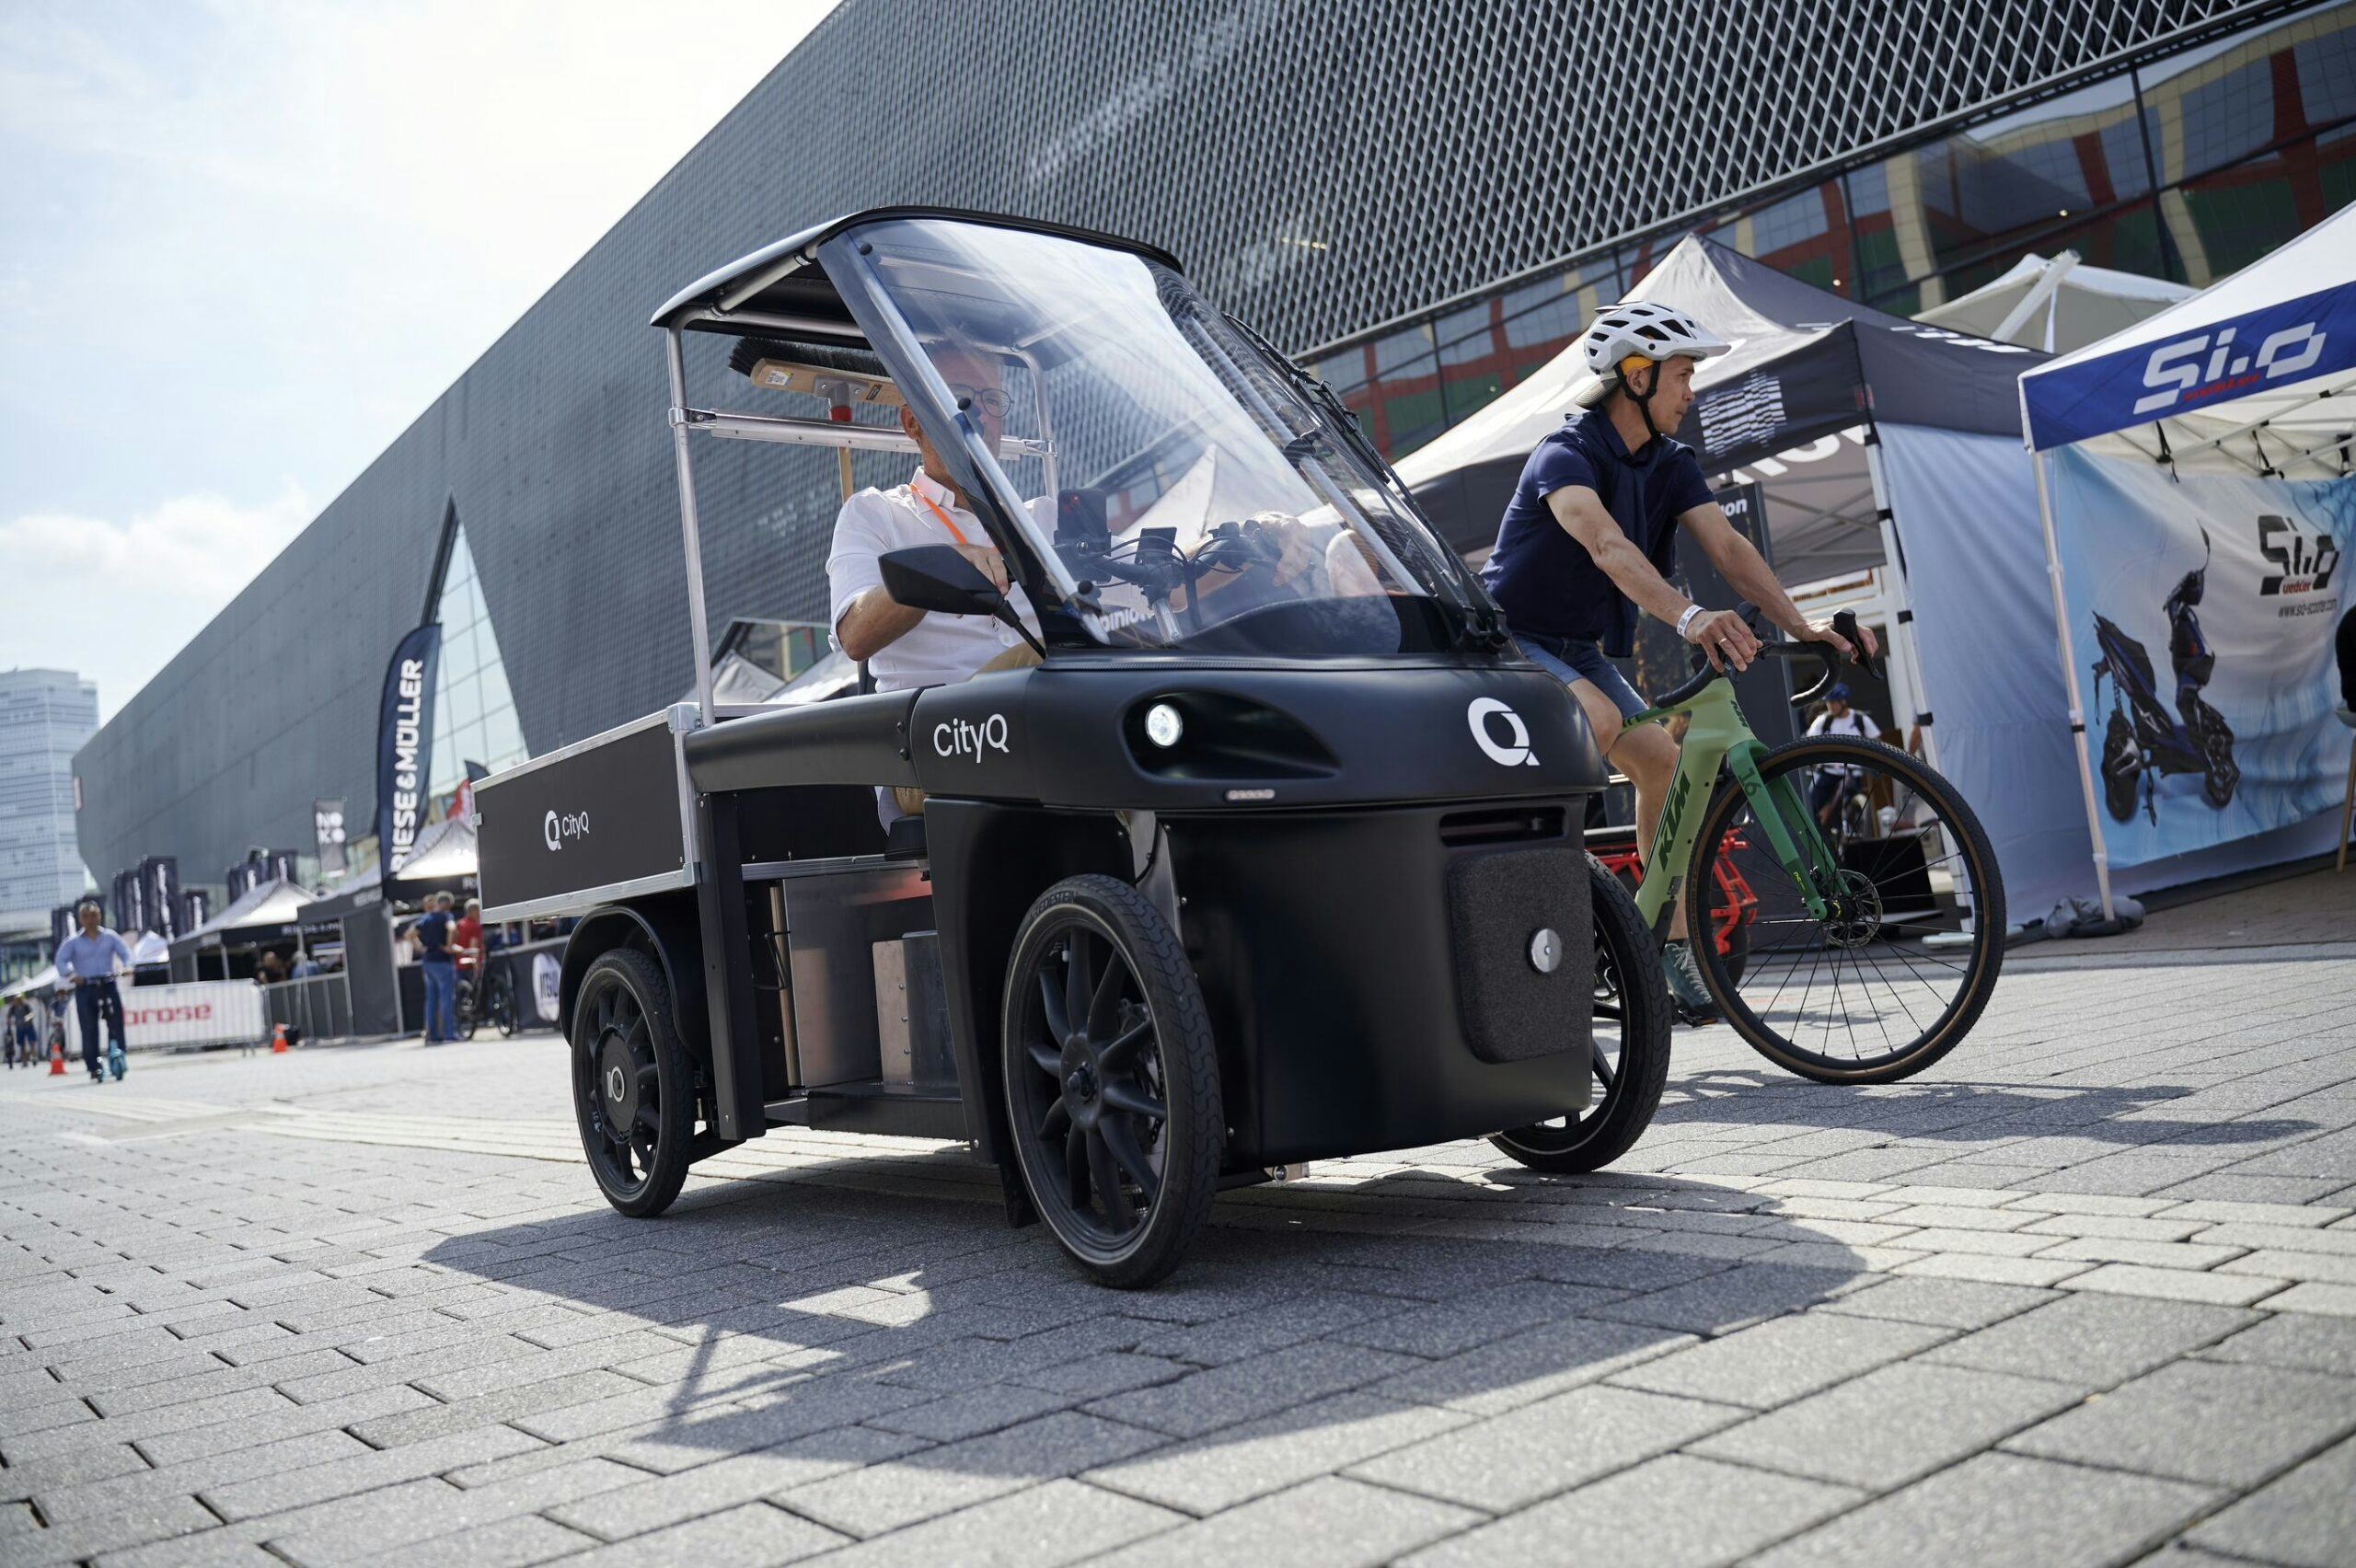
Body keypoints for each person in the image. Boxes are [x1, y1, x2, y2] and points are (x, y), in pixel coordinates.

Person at [1481, 302, 1875, 1020]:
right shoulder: (1564, 454)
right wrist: (1691, 617)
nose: (1691, 391)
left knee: (1660, 759)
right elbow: (1605, 545)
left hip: (1577, 648)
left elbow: (1729, 549)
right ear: (1635, 377)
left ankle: (1670, 942)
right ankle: (1546, 902)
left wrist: (1802, 623)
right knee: (1598, 721)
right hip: (1512, 638)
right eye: (1683, 375)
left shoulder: (1670, 464)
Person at [53, 898, 133, 1082]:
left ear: (100, 916)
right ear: (81, 919)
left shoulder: (110, 936)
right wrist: (71, 975)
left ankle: (118, 1054)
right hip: (85, 987)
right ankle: (94, 1065)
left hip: (108, 983)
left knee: (116, 1023)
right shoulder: (73, 942)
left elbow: (126, 953)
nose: (90, 919)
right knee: (89, 1029)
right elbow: (60, 960)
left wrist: (127, 967)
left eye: (94, 915)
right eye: (86, 916)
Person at [1805, 683, 1882, 827]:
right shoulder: (1823, 721)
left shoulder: (1860, 720)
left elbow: (1877, 743)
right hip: (1828, 771)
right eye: (1828, 702)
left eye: (1833, 702)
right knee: (1809, 803)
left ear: (1843, 701)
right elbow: (1810, 743)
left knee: (1847, 797)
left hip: (1853, 773)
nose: (1830, 706)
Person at [408, 892, 458, 1045]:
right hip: (442, 961)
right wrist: (449, 947)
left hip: (428, 962)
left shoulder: (425, 919)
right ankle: (449, 1034)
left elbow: (409, 934)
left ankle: (432, 1035)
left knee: (431, 1000)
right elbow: (452, 928)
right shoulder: (446, 916)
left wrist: (421, 948)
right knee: (446, 998)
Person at [4, 993, 30, 1068]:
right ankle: (23, 1059)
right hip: (18, 1028)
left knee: (29, 1043)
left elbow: (31, 1014)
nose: (18, 1001)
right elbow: (9, 1016)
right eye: (16, 999)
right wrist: (9, 1021)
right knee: (21, 1044)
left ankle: (29, 1058)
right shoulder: (13, 1007)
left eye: (19, 999)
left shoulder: (26, 1006)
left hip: (27, 1027)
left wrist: (26, 1020)